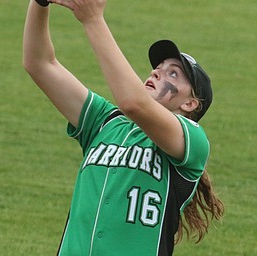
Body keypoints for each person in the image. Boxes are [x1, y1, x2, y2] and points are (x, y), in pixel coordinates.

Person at [23, 0, 224, 255]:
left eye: (173, 74)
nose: (156, 73)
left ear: (190, 103)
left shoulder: (193, 141)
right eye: (158, 68)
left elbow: (133, 103)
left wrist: (93, 19)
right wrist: (40, 4)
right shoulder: (105, 122)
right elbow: (39, 64)